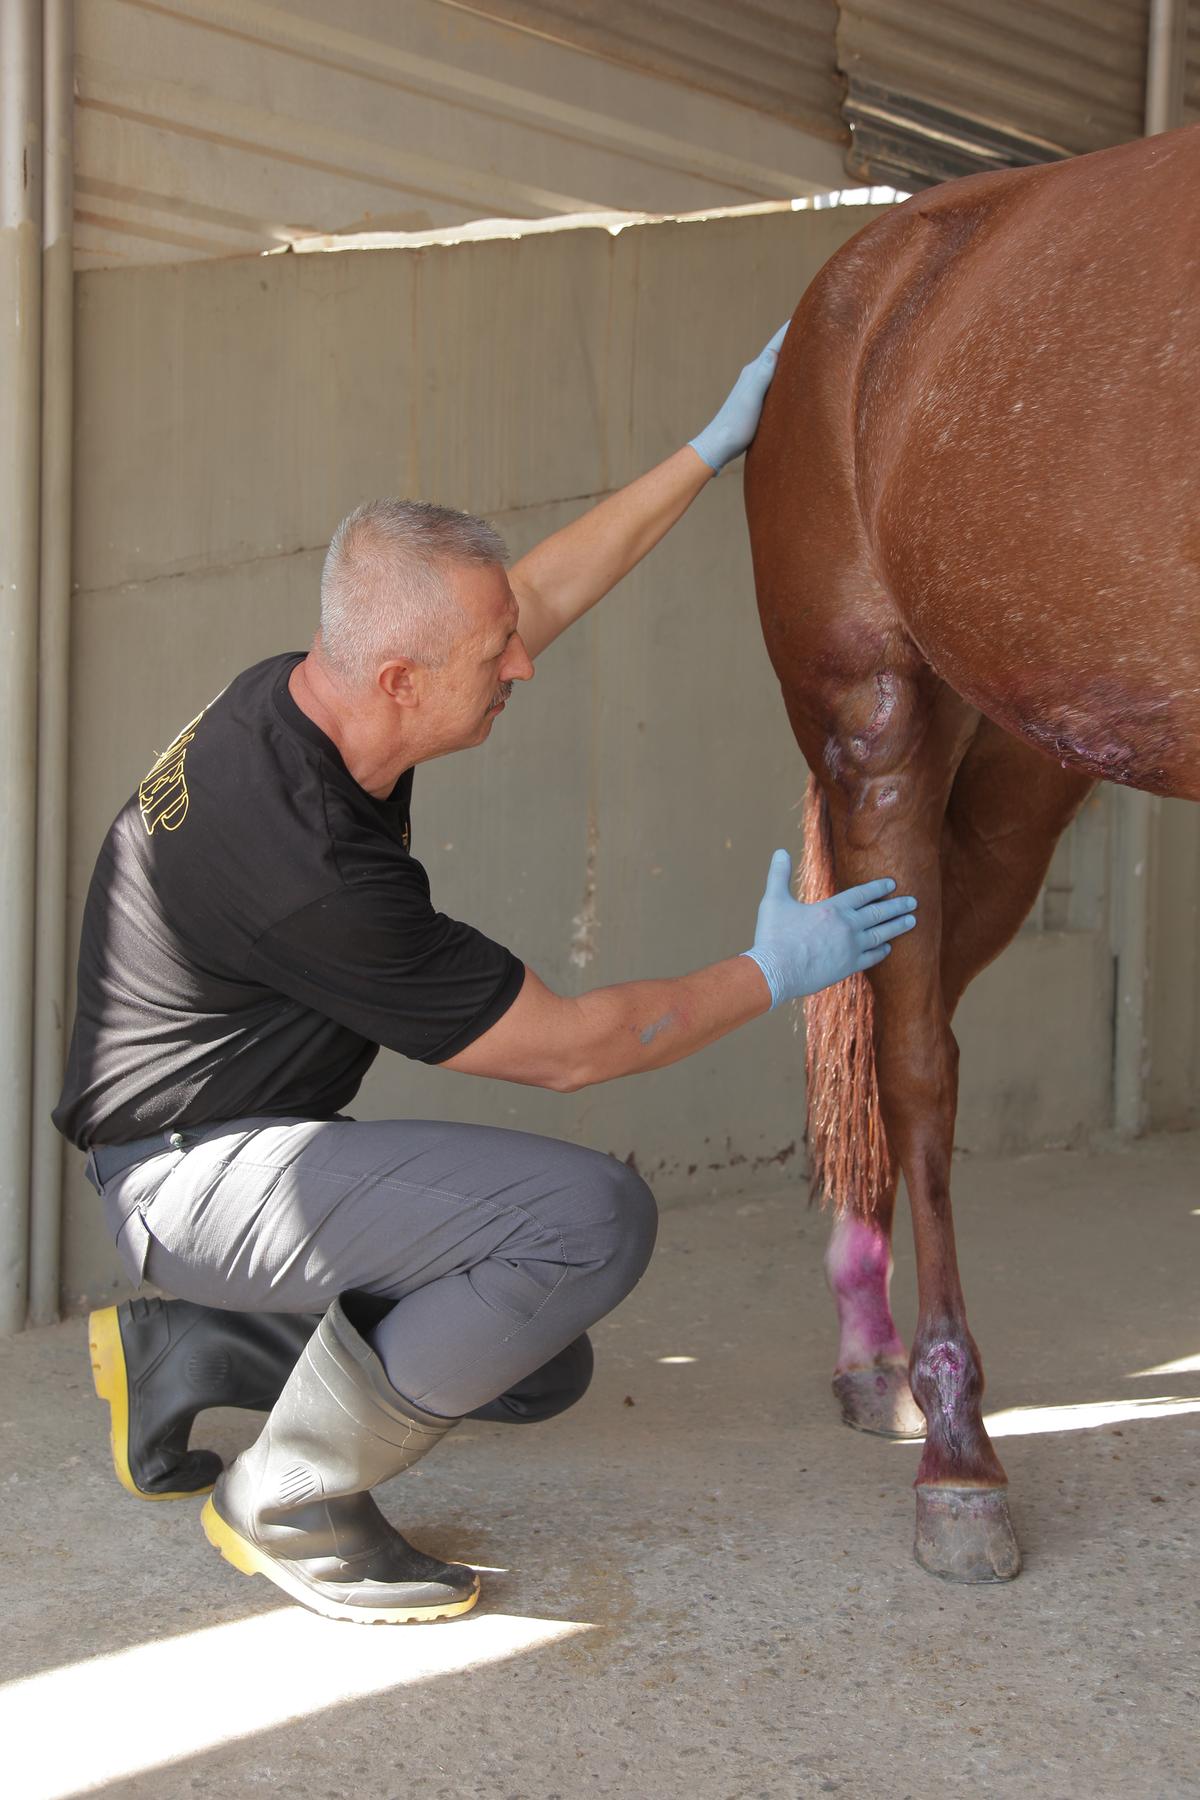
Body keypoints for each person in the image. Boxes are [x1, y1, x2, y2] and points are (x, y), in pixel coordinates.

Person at [56, 326, 918, 1626]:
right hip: (187, 1177)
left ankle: (195, 1345)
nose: (522, 665)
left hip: (223, 1143)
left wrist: (710, 444)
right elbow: (574, 1050)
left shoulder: (312, 704)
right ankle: (287, 1496)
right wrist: (774, 969)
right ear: (401, 678)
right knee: (585, 1227)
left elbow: (540, 600)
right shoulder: (308, 865)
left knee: (528, 1363)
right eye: (492, 661)